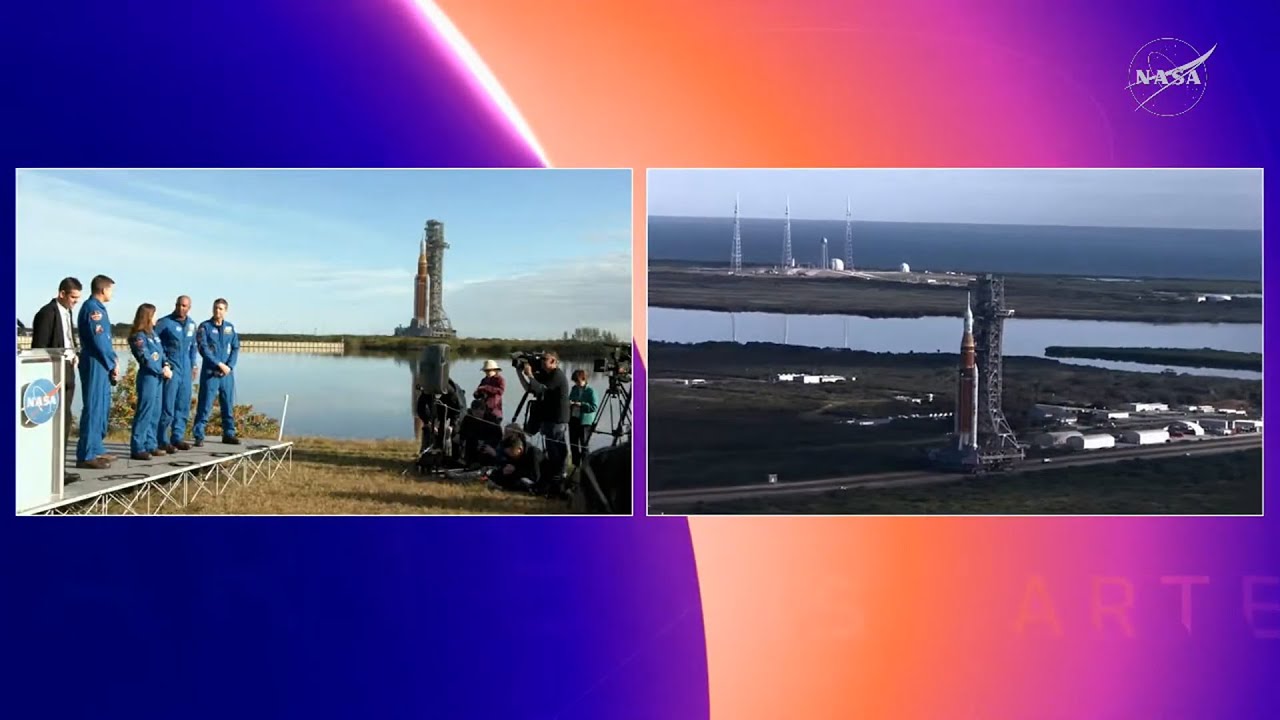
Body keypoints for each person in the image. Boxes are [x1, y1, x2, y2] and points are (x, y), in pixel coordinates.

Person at [74, 275, 119, 469]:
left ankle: (96, 447)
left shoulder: (100, 309)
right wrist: (112, 362)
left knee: (101, 407)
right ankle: (86, 454)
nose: (112, 293)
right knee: (93, 407)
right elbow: (99, 341)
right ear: (103, 290)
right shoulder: (93, 309)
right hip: (95, 362)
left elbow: (106, 341)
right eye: (111, 290)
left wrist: (113, 359)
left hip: (102, 363)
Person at [30, 277, 82, 442]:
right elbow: (40, 346)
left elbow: (68, 338)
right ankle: (52, 463)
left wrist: (75, 355)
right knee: (54, 415)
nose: (75, 302)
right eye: (73, 297)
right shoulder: (47, 313)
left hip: (68, 367)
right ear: (62, 293)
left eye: (77, 298)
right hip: (53, 370)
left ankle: (61, 463)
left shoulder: (68, 312)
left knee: (65, 415)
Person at [191, 298, 241, 446]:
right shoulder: (205, 327)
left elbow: (236, 347)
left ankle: (229, 433)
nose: (217, 311)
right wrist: (218, 364)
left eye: (220, 309)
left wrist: (229, 366)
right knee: (205, 404)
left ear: (225, 310)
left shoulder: (230, 328)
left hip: (226, 374)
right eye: (215, 308)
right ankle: (199, 434)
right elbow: (203, 348)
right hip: (210, 372)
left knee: (227, 404)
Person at [127, 303, 172, 460]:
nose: (156, 318)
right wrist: (160, 370)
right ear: (147, 317)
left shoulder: (153, 334)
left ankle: (151, 444)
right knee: (145, 411)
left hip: (159, 377)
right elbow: (145, 358)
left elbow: (161, 353)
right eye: (154, 315)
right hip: (148, 377)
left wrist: (166, 365)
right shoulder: (138, 336)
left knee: (155, 412)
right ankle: (138, 446)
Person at [520, 351, 570, 486]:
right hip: (548, 417)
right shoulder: (547, 375)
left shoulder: (557, 375)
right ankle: (553, 476)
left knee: (556, 449)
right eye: (541, 359)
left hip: (557, 418)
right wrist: (520, 372)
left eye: (545, 359)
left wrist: (530, 374)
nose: (542, 362)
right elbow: (532, 388)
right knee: (551, 448)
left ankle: (559, 477)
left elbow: (540, 389)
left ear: (553, 361)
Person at [155, 295, 198, 452]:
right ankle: (162, 439)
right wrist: (163, 363)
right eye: (179, 305)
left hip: (186, 368)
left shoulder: (192, 325)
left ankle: (177, 437)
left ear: (189, 307)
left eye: (184, 306)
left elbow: (193, 346)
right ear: (175, 305)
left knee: (183, 404)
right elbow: (154, 343)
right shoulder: (165, 323)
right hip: (171, 367)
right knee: (168, 405)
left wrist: (194, 365)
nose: (181, 308)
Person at [568, 368, 598, 467]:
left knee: (584, 445)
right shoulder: (574, 389)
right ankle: (575, 466)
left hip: (585, 422)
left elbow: (594, 407)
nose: (576, 383)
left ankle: (586, 466)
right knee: (573, 444)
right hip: (573, 419)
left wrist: (581, 404)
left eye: (578, 381)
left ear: (584, 379)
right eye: (575, 381)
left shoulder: (591, 391)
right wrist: (570, 403)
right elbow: (570, 399)